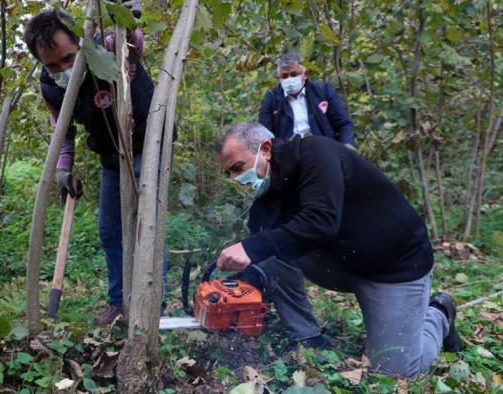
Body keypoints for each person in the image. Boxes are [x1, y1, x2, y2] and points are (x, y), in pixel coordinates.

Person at [215, 123, 460, 378]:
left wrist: (252, 247)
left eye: (237, 168)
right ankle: (307, 336)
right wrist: (231, 293)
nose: (235, 179)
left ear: (266, 149)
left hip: (393, 267)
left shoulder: (317, 154)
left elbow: (321, 221)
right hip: (341, 262)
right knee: (264, 253)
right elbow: (261, 251)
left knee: (396, 371)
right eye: (228, 174)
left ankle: (440, 314)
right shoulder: (266, 195)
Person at [24, 0, 168, 324]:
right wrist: (62, 169)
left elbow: (132, 45)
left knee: (146, 226)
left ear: (81, 42)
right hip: (110, 154)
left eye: (68, 59)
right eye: (52, 66)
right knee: (109, 230)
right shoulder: (51, 87)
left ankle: (153, 307)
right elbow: (62, 130)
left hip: (146, 143)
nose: (63, 71)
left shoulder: (107, 49)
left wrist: (127, 22)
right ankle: (119, 303)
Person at [258, 53, 355, 148]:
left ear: (305, 74)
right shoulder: (272, 99)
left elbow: (344, 124)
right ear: (278, 78)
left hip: (323, 149)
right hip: (287, 154)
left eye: (294, 74)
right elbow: (265, 135)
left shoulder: (323, 91)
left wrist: (346, 149)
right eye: (284, 76)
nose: (289, 79)